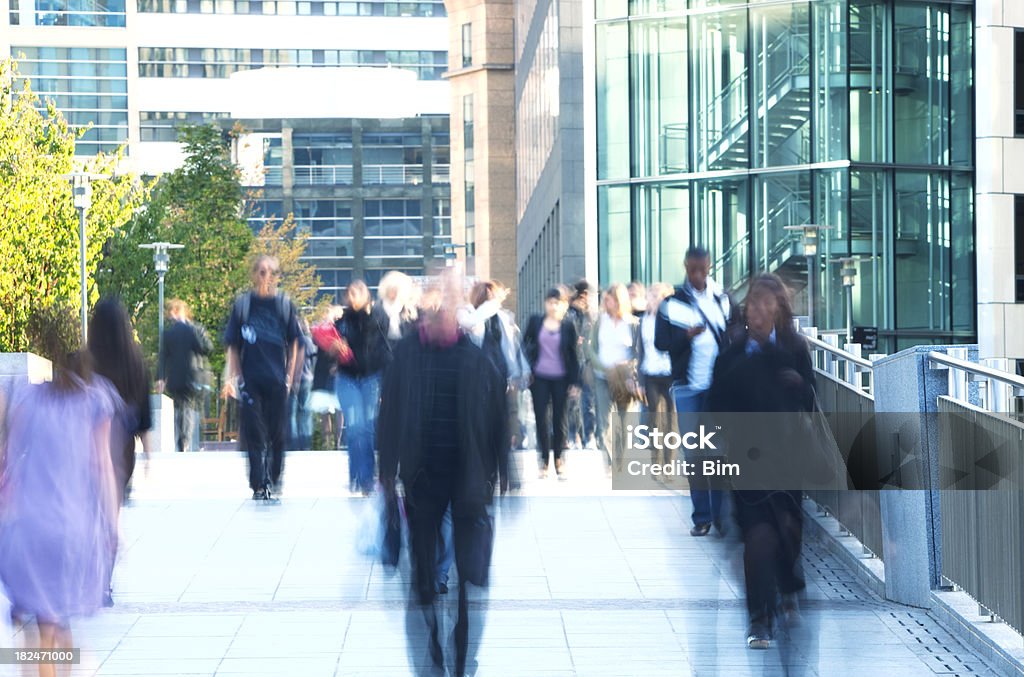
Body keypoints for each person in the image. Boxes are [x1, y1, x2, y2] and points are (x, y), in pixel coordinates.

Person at [378, 272, 506, 677]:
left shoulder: (475, 357)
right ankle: (431, 633)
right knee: (422, 562)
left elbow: (498, 417)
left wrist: (504, 468)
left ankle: (461, 646)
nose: (443, 319)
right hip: (421, 476)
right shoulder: (407, 358)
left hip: (467, 477)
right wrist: (385, 474)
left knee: (470, 571)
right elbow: (390, 413)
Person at [0, 330, 120, 677]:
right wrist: (113, 526)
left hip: (29, 529)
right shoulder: (95, 400)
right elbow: (103, 468)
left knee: (40, 632)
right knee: (55, 626)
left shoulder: (25, 396)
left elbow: (9, 454)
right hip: (72, 530)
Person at [706, 273, 813, 650]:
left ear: (780, 310)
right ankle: (759, 619)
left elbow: (811, 402)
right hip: (747, 462)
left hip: (788, 458)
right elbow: (714, 406)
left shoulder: (794, 349)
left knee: (788, 531)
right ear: (745, 309)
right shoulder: (731, 355)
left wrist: (798, 385)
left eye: (768, 304)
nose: (759, 311)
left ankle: (787, 590)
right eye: (753, 303)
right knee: (756, 537)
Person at [655, 246, 739, 537]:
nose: (698, 275)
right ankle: (701, 517)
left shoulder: (723, 299)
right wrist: (685, 336)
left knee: (716, 452)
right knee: (694, 453)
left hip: (719, 388)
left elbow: (736, 333)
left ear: (709, 266)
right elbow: (660, 343)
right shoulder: (671, 304)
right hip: (688, 387)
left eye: (702, 269)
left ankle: (719, 516)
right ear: (685, 267)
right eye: (693, 269)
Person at [223, 255, 303, 501]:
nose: (266, 276)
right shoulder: (244, 305)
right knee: (254, 433)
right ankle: (258, 483)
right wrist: (237, 377)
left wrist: (290, 376)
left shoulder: (284, 305)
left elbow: (295, 342)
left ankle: (275, 477)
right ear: (253, 274)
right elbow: (233, 344)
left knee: (278, 434)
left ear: (278, 276)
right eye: (261, 271)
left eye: (271, 272)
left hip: (277, 379)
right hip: (251, 379)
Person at [88, 296, 153, 506]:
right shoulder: (137, 366)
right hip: (122, 454)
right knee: (112, 509)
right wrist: (148, 456)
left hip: (87, 453)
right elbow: (144, 418)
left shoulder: (83, 364)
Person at [334, 280, 388, 495]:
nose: (354, 296)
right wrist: (334, 347)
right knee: (355, 427)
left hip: (371, 378)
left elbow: (383, 348)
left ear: (366, 295)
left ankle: (365, 478)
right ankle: (357, 475)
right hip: (347, 378)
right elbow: (329, 348)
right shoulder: (342, 320)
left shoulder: (377, 317)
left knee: (367, 428)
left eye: (359, 292)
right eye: (351, 293)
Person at [522, 286, 580, 479]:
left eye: (557, 302)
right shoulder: (535, 321)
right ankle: (544, 461)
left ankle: (559, 459)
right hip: (538, 377)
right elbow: (525, 345)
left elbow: (573, 355)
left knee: (560, 420)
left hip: (561, 378)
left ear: (564, 305)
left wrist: (575, 382)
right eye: (550, 302)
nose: (553, 306)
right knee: (541, 419)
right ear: (545, 303)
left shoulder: (568, 326)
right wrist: (527, 370)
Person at [587, 283, 639, 475]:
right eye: (606, 300)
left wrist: (628, 367)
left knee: (625, 419)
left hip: (624, 378)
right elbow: (590, 348)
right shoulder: (600, 321)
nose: (607, 303)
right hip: (602, 376)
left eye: (611, 300)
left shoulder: (632, 323)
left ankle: (621, 460)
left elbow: (638, 351)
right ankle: (610, 460)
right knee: (604, 421)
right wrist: (601, 366)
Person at [157, 299, 213, 453]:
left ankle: (180, 440)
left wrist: (160, 378)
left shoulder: (168, 333)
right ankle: (186, 440)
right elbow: (205, 348)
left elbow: (163, 357)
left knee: (179, 409)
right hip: (191, 377)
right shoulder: (192, 330)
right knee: (188, 407)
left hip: (175, 378)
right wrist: (200, 334)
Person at [635, 282, 675, 466]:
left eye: (657, 297)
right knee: (654, 419)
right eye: (650, 296)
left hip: (669, 373)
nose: (652, 300)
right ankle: (656, 462)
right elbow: (640, 351)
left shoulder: (671, 319)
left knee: (670, 420)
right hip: (650, 372)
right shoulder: (644, 320)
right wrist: (640, 380)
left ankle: (668, 462)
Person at [566, 280, 596, 449]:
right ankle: (574, 434)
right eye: (583, 295)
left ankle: (589, 435)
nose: (585, 299)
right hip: (574, 361)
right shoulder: (570, 314)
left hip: (587, 361)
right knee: (573, 402)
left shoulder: (590, 315)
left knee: (589, 401)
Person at [309, 306, 344, 449]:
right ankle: (327, 441)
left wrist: (339, 366)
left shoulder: (343, 329)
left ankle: (337, 440)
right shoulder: (323, 331)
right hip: (323, 372)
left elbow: (345, 349)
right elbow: (314, 339)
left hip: (337, 371)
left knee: (339, 407)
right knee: (324, 408)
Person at [288, 318, 315, 451]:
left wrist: (293, 380)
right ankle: (306, 445)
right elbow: (313, 359)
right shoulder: (308, 341)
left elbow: (293, 361)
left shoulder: (292, 342)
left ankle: (293, 445)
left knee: (291, 414)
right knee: (305, 414)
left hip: (295, 379)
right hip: (308, 379)